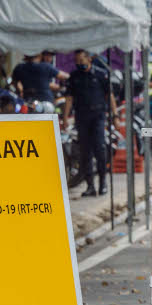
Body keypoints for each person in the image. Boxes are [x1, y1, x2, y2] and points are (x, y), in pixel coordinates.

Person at [63, 49, 118, 197]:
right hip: (82, 116)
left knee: (100, 149)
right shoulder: (74, 77)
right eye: (77, 62)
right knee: (85, 152)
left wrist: (115, 114)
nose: (79, 64)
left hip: (98, 116)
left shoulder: (101, 74)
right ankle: (90, 186)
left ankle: (103, 183)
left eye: (81, 61)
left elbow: (110, 95)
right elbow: (69, 98)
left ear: (89, 59)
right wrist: (65, 118)